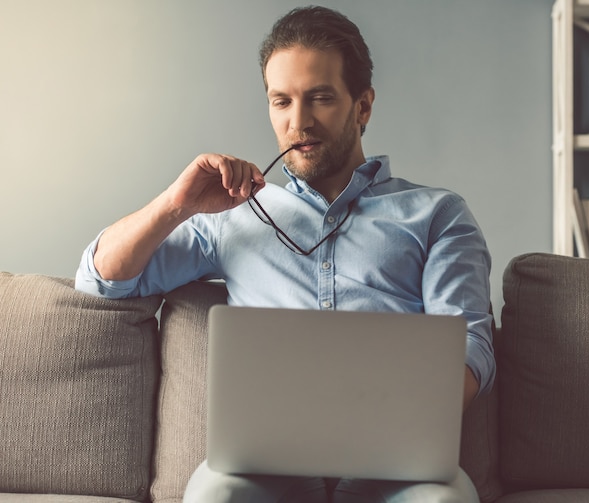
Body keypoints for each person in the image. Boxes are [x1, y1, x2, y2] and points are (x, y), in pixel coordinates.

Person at [76, 6, 494, 503]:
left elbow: (470, 345)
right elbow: (102, 279)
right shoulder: (233, 215)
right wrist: (176, 205)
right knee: (215, 496)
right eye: (282, 102)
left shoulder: (437, 214)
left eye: (320, 98)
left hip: (400, 473)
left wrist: (396, 426)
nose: (299, 122)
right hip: (262, 471)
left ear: (362, 106)